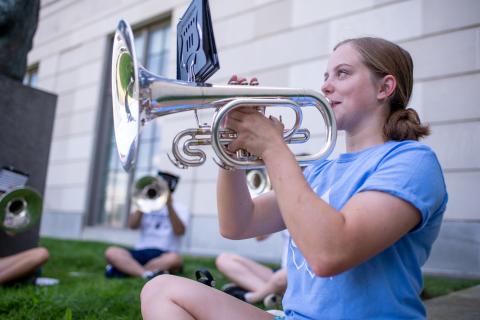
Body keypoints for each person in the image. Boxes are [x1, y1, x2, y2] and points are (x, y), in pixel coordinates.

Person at [140, 37, 448, 319]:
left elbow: (330, 254)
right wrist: (230, 144)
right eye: (326, 76)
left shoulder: (412, 162)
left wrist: (274, 148)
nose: (326, 86)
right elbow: (237, 225)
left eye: (342, 73)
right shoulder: (320, 169)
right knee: (161, 291)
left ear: (384, 88)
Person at [104, 171, 190, 280]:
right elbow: (132, 226)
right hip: (141, 251)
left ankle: (127, 269)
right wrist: (142, 203)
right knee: (111, 252)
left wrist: (170, 206)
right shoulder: (145, 203)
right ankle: (146, 274)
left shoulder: (181, 208)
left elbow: (180, 231)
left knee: (175, 259)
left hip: (165, 254)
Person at [216, 230, 289, 307]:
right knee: (224, 259)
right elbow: (260, 237)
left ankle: (250, 297)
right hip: (281, 272)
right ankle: (272, 294)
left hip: (296, 274)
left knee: (281, 278)